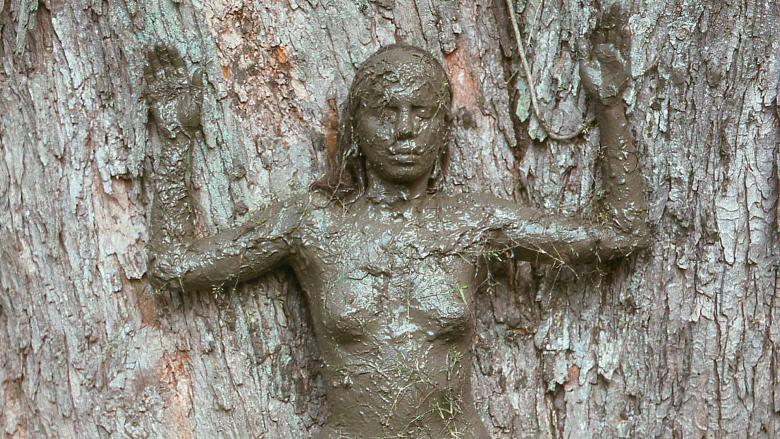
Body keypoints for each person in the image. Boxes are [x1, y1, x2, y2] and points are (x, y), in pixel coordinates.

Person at [144, 24, 648, 439]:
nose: (405, 129)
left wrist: (610, 107)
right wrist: (174, 139)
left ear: (444, 126)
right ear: (356, 127)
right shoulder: (314, 224)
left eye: (422, 112)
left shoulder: (469, 223)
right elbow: (174, 266)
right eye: (386, 112)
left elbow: (622, 233)